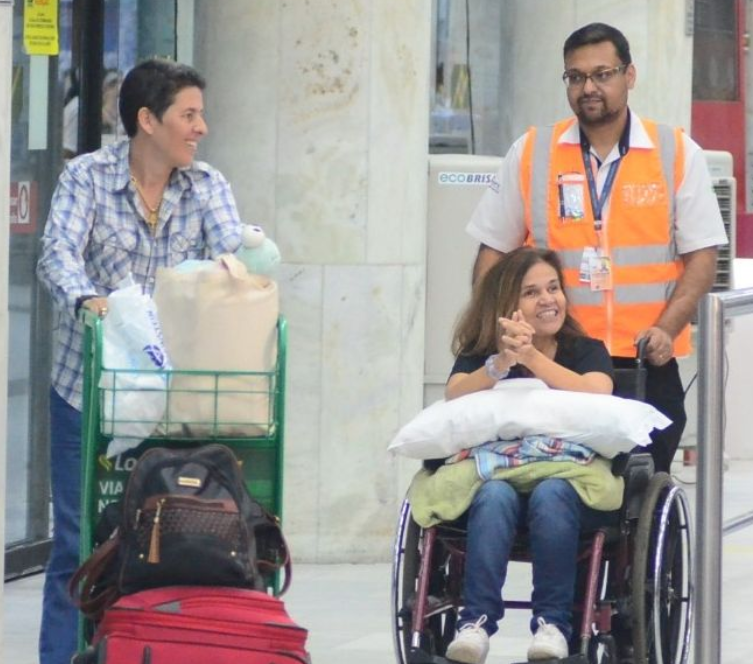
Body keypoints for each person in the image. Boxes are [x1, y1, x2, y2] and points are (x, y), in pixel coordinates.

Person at [36, 58, 243, 664]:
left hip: (178, 402)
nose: (201, 127)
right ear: (147, 120)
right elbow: (57, 256)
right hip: (90, 390)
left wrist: (244, 267)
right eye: (189, 114)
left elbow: (236, 258)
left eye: (201, 114)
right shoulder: (87, 178)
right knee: (78, 543)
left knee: (179, 537)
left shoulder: (206, 187)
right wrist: (88, 301)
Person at [466, 23, 728, 474]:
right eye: (575, 76)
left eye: (602, 74)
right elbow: (493, 253)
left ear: (630, 76)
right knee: (552, 481)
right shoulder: (532, 152)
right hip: (554, 357)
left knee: (640, 488)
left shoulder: (675, 152)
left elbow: (703, 258)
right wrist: (494, 330)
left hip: (643, 359)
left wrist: (667, 328)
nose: (589, 87)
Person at [444, 247, 618, 664]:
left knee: (553, 493)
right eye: (531, 292)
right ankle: (476, 625)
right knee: (492, 496)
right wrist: (501, 363)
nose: (548, 299)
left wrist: (532, 358)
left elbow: (598, 393)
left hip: (565, 482)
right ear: (507, 306)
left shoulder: (586, 349)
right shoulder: (483, 353)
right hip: (501, 475)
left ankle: (553, 626)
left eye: (553, 288)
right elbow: (453, 394)